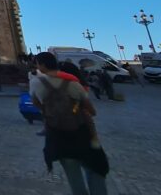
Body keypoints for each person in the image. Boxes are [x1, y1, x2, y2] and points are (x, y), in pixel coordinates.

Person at [30, 52, 109, 195]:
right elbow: (91, 111)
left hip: (58, 135)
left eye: (37, 63)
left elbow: (37, 105)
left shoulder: (36, 83)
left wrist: (50, 112)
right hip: (82, 133)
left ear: (41, 65)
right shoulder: (73, 83)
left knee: (74, 178)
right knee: (95, 169)